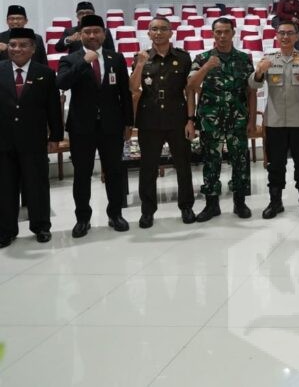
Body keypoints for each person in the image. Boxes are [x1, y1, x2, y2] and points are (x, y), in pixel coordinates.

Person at [56, 14, 133, 238]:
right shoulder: (70, 60)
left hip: (112, 126)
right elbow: (62, 83)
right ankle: (82, 218)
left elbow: (124, 94)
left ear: (104, 34)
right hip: (82, 128)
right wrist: (84, 61)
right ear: (80, 35)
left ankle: (115, 214)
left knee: (114, 172)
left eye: (96, 31)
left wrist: (129, 122)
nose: (92, 35)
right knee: (82, 174)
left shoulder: (115, 58)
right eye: (87, 32)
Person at [250, 20, 299, 219]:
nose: (285, 37)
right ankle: (275, 203)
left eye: (289, 33)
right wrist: (259, 72)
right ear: (276, 36)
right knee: (275, 164)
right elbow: (253, 85)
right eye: (281, 33)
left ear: (297, 36)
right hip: (275, 122)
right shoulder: (268, 59)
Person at [187, 18, 257, 222]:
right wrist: (207, 67)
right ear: (212, 34)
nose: (222, 36)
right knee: (211, 162)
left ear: (233, 33)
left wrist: (252, 120)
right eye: (218, 32)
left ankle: (240, 202)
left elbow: (251, 91)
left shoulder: (244, 59)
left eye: (226, 31)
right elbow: (191, 85)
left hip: (238, 119)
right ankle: (211, 205)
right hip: (211, 120)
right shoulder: (202, 58)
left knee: (241, 160)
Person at [129, 16, 195, 228]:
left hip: (177, 118)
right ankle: (147, 211)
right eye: (154, 29)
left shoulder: (183, 58)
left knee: (183, 166)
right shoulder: (141, 57)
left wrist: (191, 120)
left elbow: (190, 90)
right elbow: (133, 88)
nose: (158, 33)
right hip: (150, 120)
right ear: (148, 33)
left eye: (163, 29)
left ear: (171, 32)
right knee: (148, 168)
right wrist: (139, 64)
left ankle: (186, 207)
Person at [0, 28, 62, 247]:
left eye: (23, 45)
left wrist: (55, 136)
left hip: (34, 140)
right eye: (13, 45)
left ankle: (41, 226)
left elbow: (53, 108)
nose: (17, 49)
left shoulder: (44, 73)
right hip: (3, 141)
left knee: (37, 185)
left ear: (33, 48)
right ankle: (6, 230)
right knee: (5, 187)